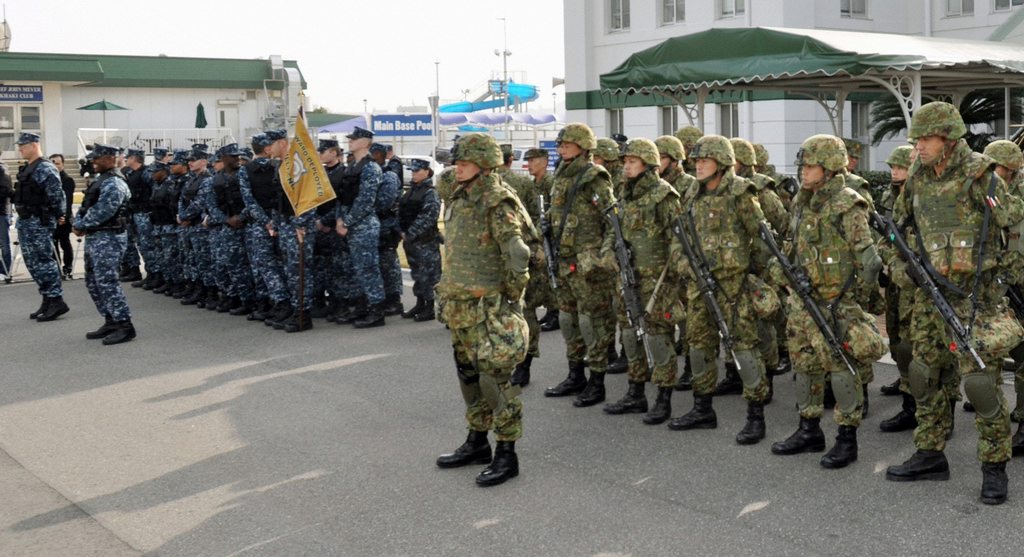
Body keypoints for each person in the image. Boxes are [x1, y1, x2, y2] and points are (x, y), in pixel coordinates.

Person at [884, 101, 1024, 505]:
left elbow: (1014, 221)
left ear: (948, 138)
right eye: (916, 140)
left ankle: (994, 468)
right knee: (923, 375)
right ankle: (930, 454)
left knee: (982, 384)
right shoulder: (916, 179)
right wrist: (900, 268)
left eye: (925, 139)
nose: (918, 147)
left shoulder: (980, 173)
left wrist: (1004, 273)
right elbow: (896, 230)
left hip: (975, 299)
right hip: (930, 296)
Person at [767, 135, 885, 468]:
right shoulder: (802, 202)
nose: (803, 171)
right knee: (804, 365)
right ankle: (808, 430)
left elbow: (870, 261)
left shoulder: (848, 203)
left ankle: (847, 439)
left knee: (841, 369)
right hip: (802, 303)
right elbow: (791, 247)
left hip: (835, 304)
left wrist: (852, 301)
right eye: (802, 165)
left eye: (811, 165)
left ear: (830, 167)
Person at [434, 133, 530, 487]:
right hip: (459, 303)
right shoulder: (460, 193)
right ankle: (477, 441)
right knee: (468, 374)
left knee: (494, 379)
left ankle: (507, 452)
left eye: (464, 163)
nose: (456, 168)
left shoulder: (496, 199)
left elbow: (518, 254)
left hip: (488, 306)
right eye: (456, 162)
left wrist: (510, 299)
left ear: (484, 165)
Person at [666, 135, 771, 445]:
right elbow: (678, 238)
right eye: (695, 161)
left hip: (733, 288)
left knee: (743, 348)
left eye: (704, 161)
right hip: (700, 285)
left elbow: (763, 239)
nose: (697, 165)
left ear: (722, 163)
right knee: (698, 346)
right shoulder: (692, 193)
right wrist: (685, 266)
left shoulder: (741, 193)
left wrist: (748, 272)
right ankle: (702, 408)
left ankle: (756, 415)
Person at [601, 138, 683, 424]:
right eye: (625, 162)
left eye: (632, 162)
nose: (626, 166)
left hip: (656, 280)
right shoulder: (625, 193)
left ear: (648, 165)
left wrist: (669, 276)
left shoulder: (664, 195)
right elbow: (615, 229)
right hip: (627, 276)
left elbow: (678, 240)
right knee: (629, 335)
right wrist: (607, 252)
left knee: (658, 338)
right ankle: (636, 392)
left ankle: (664, 397)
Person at [542, 123, 618, 408]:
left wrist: (601, 255)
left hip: (588, 266)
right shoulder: (560, 176)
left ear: (584, 148)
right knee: (568, 319)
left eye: (567, 145)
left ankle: (597, 381)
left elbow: (613, 220)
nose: (561, 150)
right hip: (563, 259)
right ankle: (575, 374)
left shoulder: (593, 178)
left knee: (592, 322)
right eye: (560, 145)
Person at [982, 139, 1024, 457]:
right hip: (1002, 288)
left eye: (995, 169)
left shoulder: (1016, 198)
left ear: (1010, 170)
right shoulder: (990, 195)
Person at [877, 145, 919, 434]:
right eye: (893, 167)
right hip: (894, 275)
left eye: (900, 167)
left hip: (914, 282)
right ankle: (904, 382)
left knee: (910, 341)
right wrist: (884, 262)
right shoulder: (888, 196)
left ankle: (913, 404)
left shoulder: (919, 195)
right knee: (894, 333)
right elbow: (885, 235)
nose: (895, 171)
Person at [74, 144, 135, 345]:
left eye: (97, 158)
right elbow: (86, 206)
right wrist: (78, 222)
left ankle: (125, 325)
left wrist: (81, 224)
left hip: (109, 238)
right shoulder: (100, 180)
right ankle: (110, 320)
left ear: (110, 158)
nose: (93, 162)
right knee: (93, 281)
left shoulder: (115, 183)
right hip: (96, 237)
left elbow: (104, 211)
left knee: (107, 281)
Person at [12, 132, 68, 321]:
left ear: (35, 145)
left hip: (39, 221)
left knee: (44, 261)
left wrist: (60, 214)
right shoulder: (29, 168)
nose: (20, 149)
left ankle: (56, 300)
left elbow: (56, 195)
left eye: (24, 145)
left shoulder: (45, 168)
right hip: (27, 221)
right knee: (33, 262)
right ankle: (47, 298)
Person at [334, 127, 386, 328]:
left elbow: (366, 201)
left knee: (368, 268)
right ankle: (362, 307)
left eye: (354, 139)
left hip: (363, 225)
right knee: (355, 270)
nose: (350, 142)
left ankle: (376, 310)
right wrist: (340, 220)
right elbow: (343, 197)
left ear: (365, 142)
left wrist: (346, 222)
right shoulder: (352, 166)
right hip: (350, 223)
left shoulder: (371, 168)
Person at [238, 131, 292, 324]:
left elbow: (249, 202)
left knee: (265, 266)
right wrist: (274, 220)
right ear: (268, 148)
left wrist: (265, 222)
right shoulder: (279, 165)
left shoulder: (245, 170)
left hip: (261, 225)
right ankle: (286, 303)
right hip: (283, 221)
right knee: (282, 263)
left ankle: (278, 303)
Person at [203, 143, 255, 315]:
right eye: (233, 156)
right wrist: (226, 220)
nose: (237, 159)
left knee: (253, 265)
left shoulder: (246, 175)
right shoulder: (213, 180)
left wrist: (241, 217)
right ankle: (240, 298)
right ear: (223, 158)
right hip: (228, 227)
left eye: (239, 156)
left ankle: (257, 300)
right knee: (233, 264)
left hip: (249, 225)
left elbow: (253, 200)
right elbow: (211, 206)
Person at [398, 158, 442, 322]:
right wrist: (402, 231)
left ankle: (430, 307)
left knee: (429, 275)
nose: (413, 174)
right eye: (412, 171)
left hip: (425, 241)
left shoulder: (430, 192)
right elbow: (401, 211)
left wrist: (410, 233)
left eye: (417, 171)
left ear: (427, 172)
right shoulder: (411, 191)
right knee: (417, 274)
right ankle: (420, 303)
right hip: (411, 241)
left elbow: (428, 216)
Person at [370, 142, 404, 317]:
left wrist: (367, 208)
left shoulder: (389, 176)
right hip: (376, 225)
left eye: (373, 153)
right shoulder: (371, 174)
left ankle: (394, 300)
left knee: (389, 264)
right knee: (377, 264)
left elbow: (385, 202)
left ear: (380, 155)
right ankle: (382, 298)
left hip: (387, 225)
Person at [118, 148, 145, 283]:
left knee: (145, 245)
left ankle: (153, 274)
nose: (126, 159)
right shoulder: (131, 173)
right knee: (130, 243)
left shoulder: (145, 173)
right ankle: (133, 269)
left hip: (142, 213)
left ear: (134, 158)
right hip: (132, 212)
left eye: (128, 157)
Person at [49, 154, 76, 279]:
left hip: (64, 217)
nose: (55, 166)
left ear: (63, 164)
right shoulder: (49, 179)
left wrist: (64, 216)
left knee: (65, 243)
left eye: (58, 163)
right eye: (52, 163)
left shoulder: (67, 179)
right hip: (52, 217)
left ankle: (68, 267)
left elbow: (68, 201)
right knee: (53, 244)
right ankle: (57, 268)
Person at [0, 160, 13, 281]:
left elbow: (5, 192)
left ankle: (5, 271)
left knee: (4, 244)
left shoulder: (3, 172)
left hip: (1, 213)